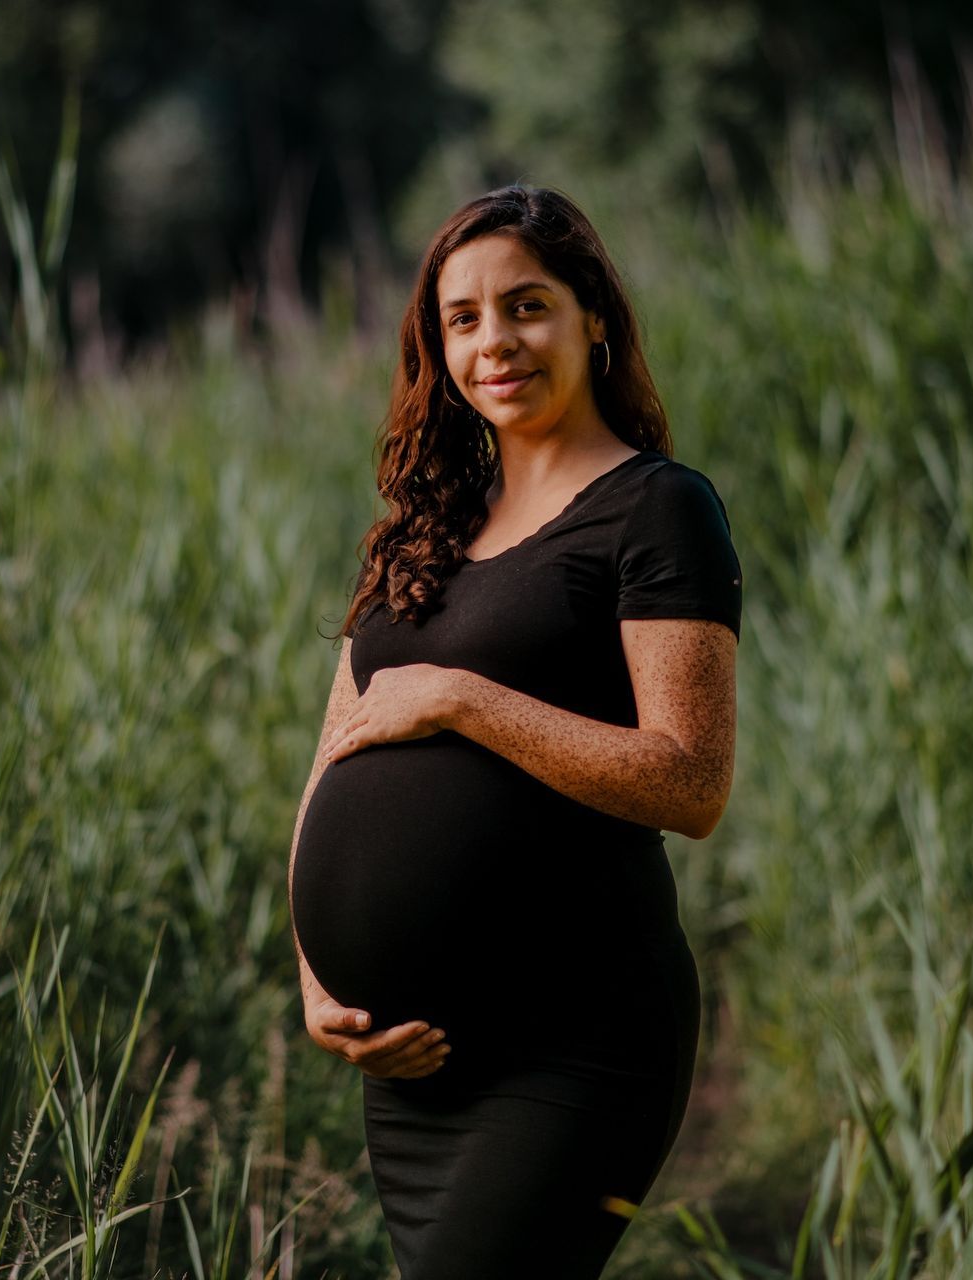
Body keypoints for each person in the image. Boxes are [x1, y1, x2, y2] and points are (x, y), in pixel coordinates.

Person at [285, 183, 742, 1278]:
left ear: (594, 315)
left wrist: (464, 698)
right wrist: (317, 981)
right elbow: (331, 765)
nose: (496, 341)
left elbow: (691, 781)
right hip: (413, 1070)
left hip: (575, 1038)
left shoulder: (656, 508)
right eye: (463, 317)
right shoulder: (418, 531)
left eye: (526, 305)